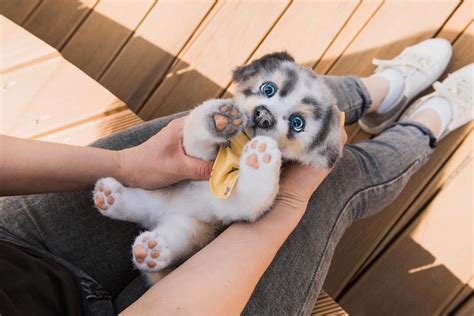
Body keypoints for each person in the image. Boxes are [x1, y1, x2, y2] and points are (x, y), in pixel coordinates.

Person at [0, 39, 472, 315]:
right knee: (331, 178)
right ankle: (424, 125)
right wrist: (287, 206)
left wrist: (125, 167)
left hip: (18, 255)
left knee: (231, 121)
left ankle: (372, 92)